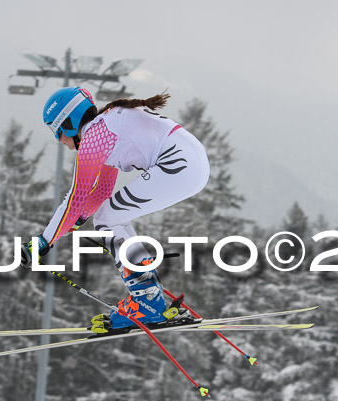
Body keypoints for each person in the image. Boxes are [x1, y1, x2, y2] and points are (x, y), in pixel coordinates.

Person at [20, 87, 210, 334]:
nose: (57, 139)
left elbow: (75, 196)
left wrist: (42, 242)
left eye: (55, 130)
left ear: (68, 123)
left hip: (177, 164)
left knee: (107, 219)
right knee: (109, 217)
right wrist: (77, 220)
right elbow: (101, 192)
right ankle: (147, 292)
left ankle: (146, 300)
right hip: (191, 164)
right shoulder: (106, 127)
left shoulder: (94, 137)